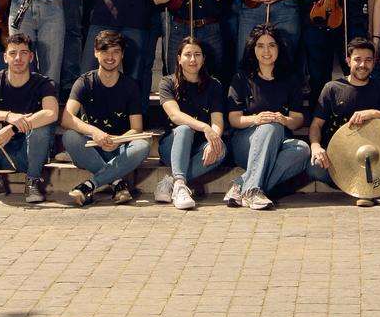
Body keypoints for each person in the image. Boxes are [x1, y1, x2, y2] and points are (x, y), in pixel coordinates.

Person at [306, 36, 380, 207]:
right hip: (343, 156)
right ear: (348, 60)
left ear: (374, 62)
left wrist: (374, 113)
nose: (363, 65)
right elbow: (316, 125)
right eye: (357, 60)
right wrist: (315, 146)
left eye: (368, 60)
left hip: (375, 154)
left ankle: (372, 186)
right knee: (314, 168)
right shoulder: (332, 88)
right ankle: (357, 185)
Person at [0, 32, 59, 204]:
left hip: (30, 154)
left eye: (23, 53)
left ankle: (33, 182)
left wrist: (13, 127)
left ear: (31, 57)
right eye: (13, 53)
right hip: (1, 150)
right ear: (5, 57)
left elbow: (51, 113)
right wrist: (8, 116)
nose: (18, 58)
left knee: (42, 127)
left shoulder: (43, 83)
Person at [61, 29, 153, 206]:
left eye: (115, 52)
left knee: (142, 145)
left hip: (118, 146)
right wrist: (95, 132)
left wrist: (119, 140)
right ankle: (117, 182)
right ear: (96, 53)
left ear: (122, 55)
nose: (110, 57)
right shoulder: (84, 81)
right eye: (105, 51)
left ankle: (89, 185)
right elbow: (66, 118)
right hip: (91, 146)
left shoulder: (130, 86)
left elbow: (137, 128)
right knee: (69, 137)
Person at [224, 25, 310, 210]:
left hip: (278, 142)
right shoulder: (241, 78)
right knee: (271, 126)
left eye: (271, 45)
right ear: (252, 49)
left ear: (279, 48)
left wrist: (283, 119)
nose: (266, 51)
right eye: (260, 46)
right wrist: (257, 119)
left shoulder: (291, 79)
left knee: (302, 149)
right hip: (245, 142)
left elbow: (297, 120)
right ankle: (253, 190)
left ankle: (241, 185)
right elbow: (234, 119)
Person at [154, 36, 229, 210]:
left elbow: (217, 121)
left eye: (197, 54)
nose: (193, 59)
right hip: (172, 146)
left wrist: (214, 139)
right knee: (185, 129)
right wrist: (204, 127)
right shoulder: (167, 82)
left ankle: (173, 182)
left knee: (221, 149)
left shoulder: (214, 85)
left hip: (199, 147)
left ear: (203, 59)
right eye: (188, 55)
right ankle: (180, 185)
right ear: (179, 59)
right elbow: (175, 116)